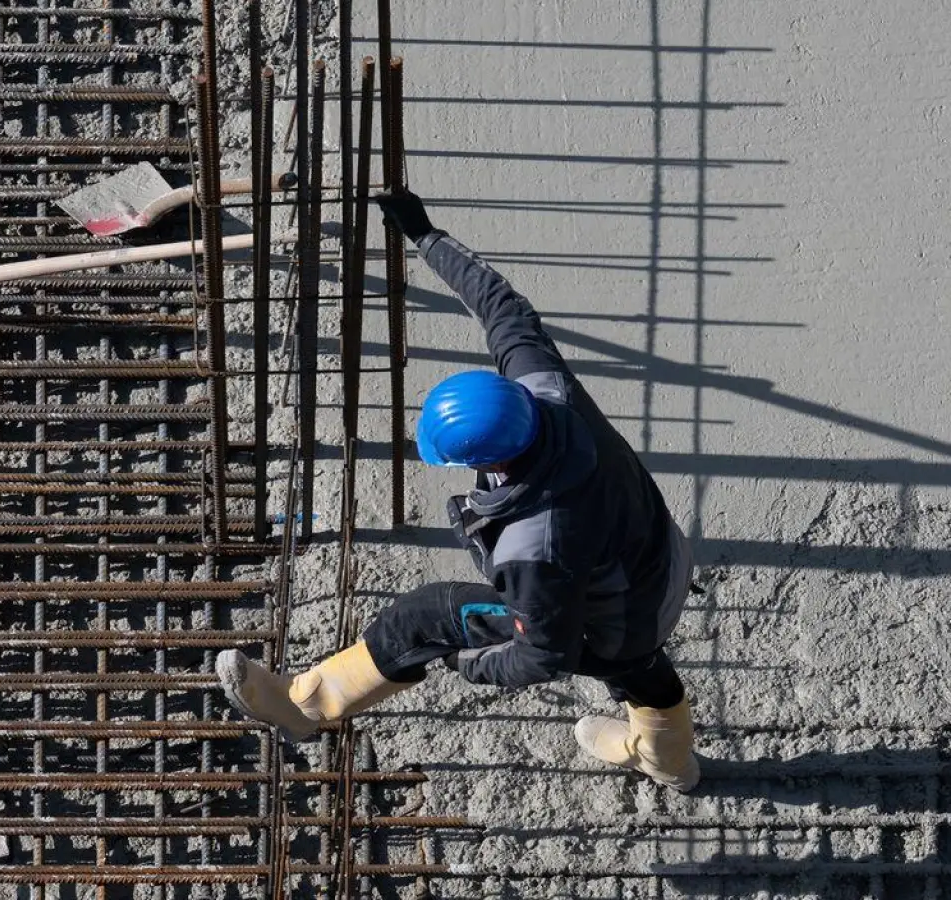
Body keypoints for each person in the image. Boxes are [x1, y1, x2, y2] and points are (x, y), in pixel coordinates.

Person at [217, 189, 699, 792]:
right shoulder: (547, 388)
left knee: (428, 616)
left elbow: (540, 655)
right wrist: (426, 235)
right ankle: (670, 760)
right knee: (640, 664)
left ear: (487, 458)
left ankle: (303, 706)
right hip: (660, 562)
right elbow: (504, 308)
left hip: (609, 613)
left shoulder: (535, 543)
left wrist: (465, 660)